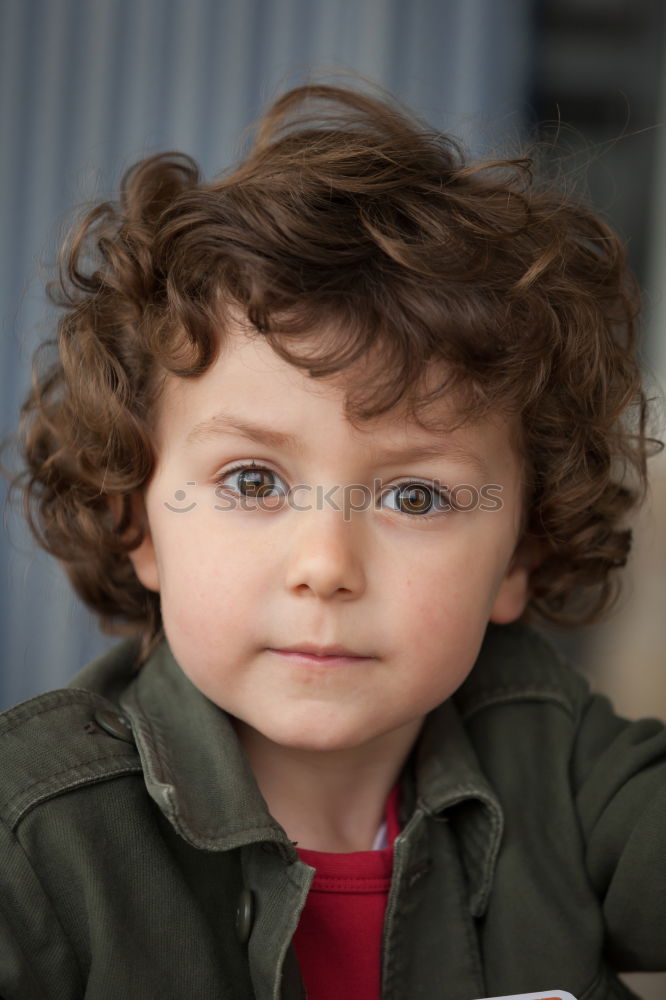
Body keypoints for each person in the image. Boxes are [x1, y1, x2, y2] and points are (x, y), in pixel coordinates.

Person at [0, 82, 664, 1000]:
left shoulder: (564, 763)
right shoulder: (33, 832)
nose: (326, 567)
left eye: (419, 497)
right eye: (253, 482)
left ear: (521, 554)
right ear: (135, 518)